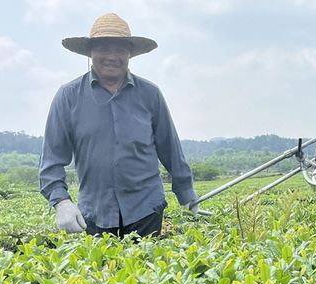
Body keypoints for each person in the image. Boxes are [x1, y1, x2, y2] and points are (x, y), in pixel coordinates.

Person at [39, 13, 199, 237]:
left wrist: (186, 193)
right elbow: (51, 159)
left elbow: (170, 147)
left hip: (146, 210)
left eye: (120, 49)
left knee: (146, 270)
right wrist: (61, 201)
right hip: (94, 215)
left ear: (130, 54)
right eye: (104, 48)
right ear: (90, 53)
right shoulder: (68, 97)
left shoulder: (150, 94)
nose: (112, 56)